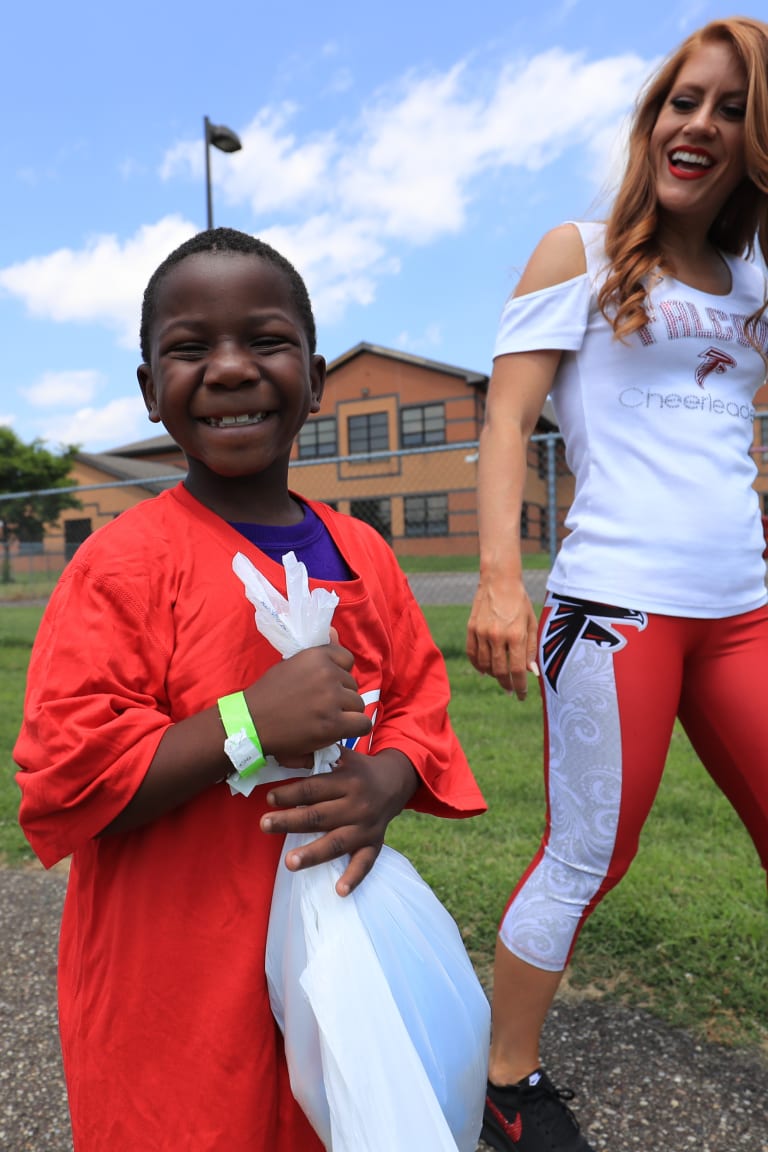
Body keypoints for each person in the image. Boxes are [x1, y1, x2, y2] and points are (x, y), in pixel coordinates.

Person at [14, 227, 486, 1152]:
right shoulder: (123, 565)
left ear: (313, 377)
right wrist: (247, 720)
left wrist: (390, 778)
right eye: (189, 349)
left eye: (264, 342)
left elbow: (419, 709)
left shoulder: (365, 555)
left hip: (333, 967)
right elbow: (67, 778)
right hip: (174, 978)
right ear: (151, 392)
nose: (229, 370)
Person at [466, 17, 768, 1152]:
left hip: (743, 612)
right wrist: (502, 582)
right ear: (653, 120)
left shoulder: (754, 285)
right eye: (684, 101)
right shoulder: (577, 253)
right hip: (614, 611)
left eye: (732, 110)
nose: (700, 124)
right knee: (591, 852)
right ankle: (508, 1084)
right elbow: (505, 418)